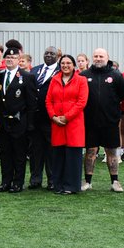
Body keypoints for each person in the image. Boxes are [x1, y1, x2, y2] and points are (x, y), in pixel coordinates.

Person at [81, 48, 124, 192]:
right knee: (90, 151)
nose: (98, 58)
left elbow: (122, 94)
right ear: (92, 58)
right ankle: (87, 181)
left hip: (110, 121)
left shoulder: (116, 75)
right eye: (95, 56)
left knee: (112, 152)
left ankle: (115, 181)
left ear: (107, 58)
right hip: (90, 122)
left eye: (101, 56)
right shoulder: (84, 75)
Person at [0, 47, 37, 193]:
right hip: (3, 122)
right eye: (8, 58)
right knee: (5, 153)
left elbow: (31, 103)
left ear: (19, 60)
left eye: (13, 58)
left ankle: (18, 182)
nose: (10, 60)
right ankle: (6, 181)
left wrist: (29, 124)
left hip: (20, 122)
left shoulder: (27, 76)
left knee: (19, 154)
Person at [47, 54, 88, 194]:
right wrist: (53, 117)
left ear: (73, 65)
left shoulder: (81, 80)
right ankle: (58, 185)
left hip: (73, 124)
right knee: (58, 157)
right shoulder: (54, 80)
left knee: (73, 157)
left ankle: (71, 186)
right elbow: (48, 101)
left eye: (68, 63)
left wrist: (66, 117)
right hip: (57, 124)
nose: (65, 65)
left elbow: (81, 102)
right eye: (63, 63)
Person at [29, 46, 61, 189]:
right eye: (46, 53)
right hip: (34, 118)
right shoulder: (34, 70)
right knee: (35, 150)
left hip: (51, 117)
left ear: (57, 56)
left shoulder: (61, 71)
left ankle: (52, 180)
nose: (48, 55)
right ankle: (35, 179)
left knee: (51, 150)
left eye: (52, 53)